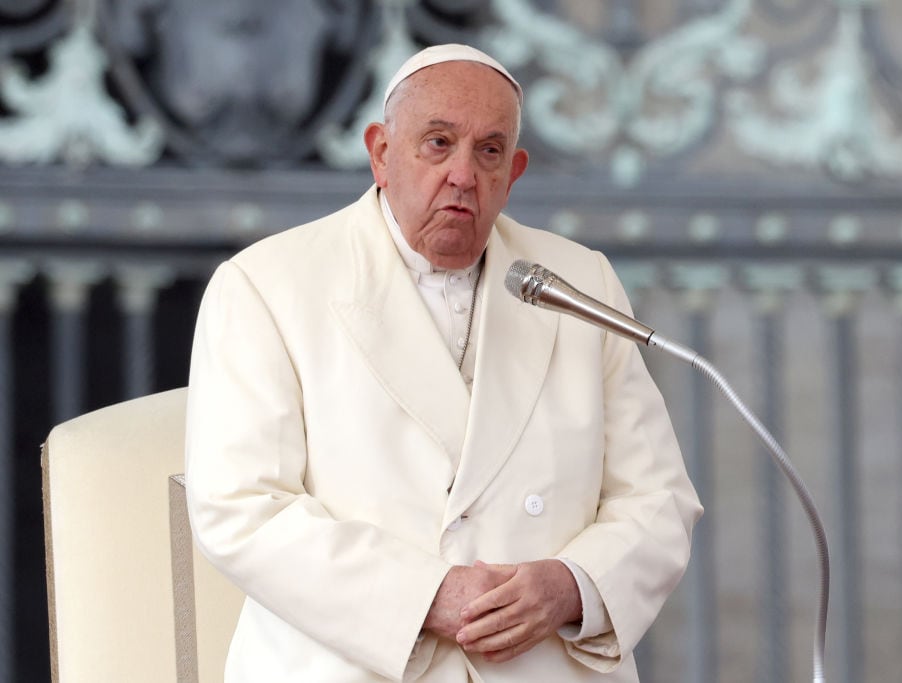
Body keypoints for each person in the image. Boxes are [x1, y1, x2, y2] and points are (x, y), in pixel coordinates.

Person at [185, 43, 702, 682]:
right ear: (380, 152)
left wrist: (570, 585)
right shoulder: (267, 284)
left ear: (513, 172)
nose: (463, 174)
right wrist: (426, 597)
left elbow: (657, 497)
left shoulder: (577, 280)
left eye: (488, 151)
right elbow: (241, 506)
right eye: (437, 143)